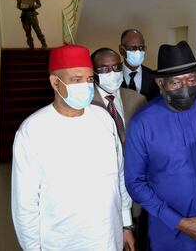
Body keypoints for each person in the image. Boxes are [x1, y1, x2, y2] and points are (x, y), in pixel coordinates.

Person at [11, 44, 134, 250]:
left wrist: (126, 224)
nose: (85, 86)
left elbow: (119, 176)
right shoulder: (33, 130)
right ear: (55, 83)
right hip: (62, 242)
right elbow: (25, 205)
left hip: (109, 237)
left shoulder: (103, 118)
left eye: (89, 79)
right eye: (76, 80)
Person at [124, 41, 196, 251]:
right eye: (176, 82)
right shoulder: (142, 122)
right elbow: (134, 182)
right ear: (160, 82)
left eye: (192, 79)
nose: (186, 88)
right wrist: (179, 222)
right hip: (169, 231)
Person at [90, 47, 147, 249]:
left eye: (116, 68)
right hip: (100, 193)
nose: (112, 74)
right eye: (104, 69)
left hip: (133, 187)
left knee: (134, 239)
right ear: (93, 72)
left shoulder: (137, 100)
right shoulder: (84, 105)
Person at [119, 29, 159, 101]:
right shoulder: (113, 76)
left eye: (141, 48)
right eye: (133, 48)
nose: (138, 52)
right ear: (121, 50)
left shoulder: (152, 77)